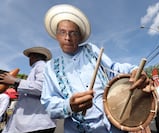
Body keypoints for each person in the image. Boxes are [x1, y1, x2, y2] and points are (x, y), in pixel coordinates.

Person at [41, 4, 151, 133]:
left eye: (73, 33)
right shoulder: (50, 68)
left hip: (115, 126)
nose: (67, 38)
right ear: (56, 35)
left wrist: (134, 71)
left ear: (79, 37)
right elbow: (48, 104)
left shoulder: (91, 50)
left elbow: (113, 68)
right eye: (62, 32)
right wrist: (69, 106)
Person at [0, 47, 56, 133]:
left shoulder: (42, 66)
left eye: (29, 57)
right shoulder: (37, 68)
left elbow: (44, 87)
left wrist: (15, 81)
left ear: (33, 56)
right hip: (32, 124)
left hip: (36, 125)